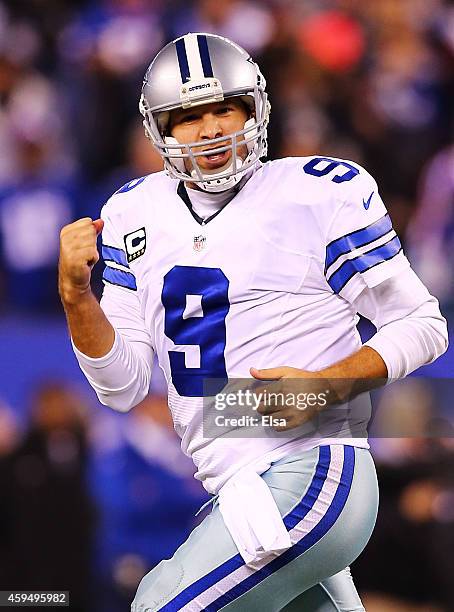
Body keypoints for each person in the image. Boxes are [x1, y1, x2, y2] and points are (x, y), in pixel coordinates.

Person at [58, 33, 448, 611]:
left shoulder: (317, 192)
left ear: (255, 109)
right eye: (189, 116)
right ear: (159, 129)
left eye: (224, 108)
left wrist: (326, 384)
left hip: (312, 469)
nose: (211, 128)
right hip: (236, 493)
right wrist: (76, 296)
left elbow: (423, 323)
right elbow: (122, 386)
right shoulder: (131, 212)